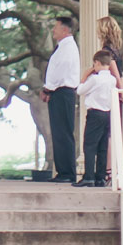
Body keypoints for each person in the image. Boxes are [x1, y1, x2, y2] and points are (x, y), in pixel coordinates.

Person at [39, 16, 79, 183]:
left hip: (63, 92)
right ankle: (62, 170)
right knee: (59, 132)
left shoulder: (68, 48)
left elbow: (60, 71)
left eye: (56, 27)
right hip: (58, 92)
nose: (53, 30)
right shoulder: (62, 47)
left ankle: (67, 173)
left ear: (65, 30)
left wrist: (48, 88)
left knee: (63, 132)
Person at [75, 51, 123, 187]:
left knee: (89, 146)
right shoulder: (112, 80)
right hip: (107, 114)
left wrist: (84, 77)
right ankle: (100, 177)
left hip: (95, 113)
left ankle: (89, 176)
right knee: (102, 146)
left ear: (96, 62)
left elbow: (80, 91)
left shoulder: (95, 79)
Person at [95, 16, 123, 87]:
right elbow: (121, 73)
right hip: (118, 88)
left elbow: (116, 75)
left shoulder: (107, 51)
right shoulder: (115, 50)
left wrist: (122, 94)